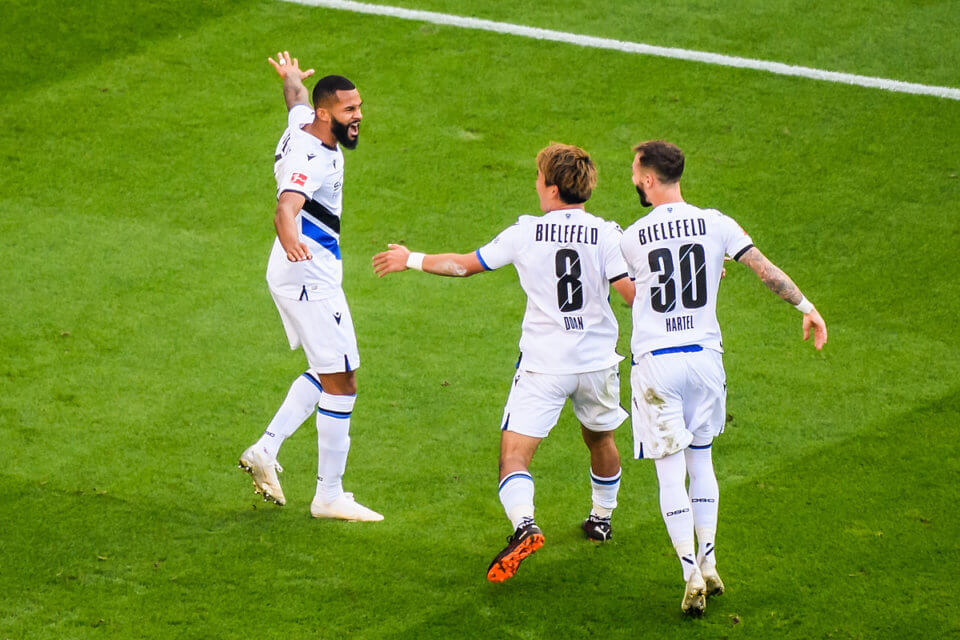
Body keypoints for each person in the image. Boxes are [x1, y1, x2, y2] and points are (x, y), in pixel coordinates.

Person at [372, 143, 635, 582]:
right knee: (600, 439)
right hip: (597, 363)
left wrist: (410, 259)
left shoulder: (525, 232)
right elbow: (630, 291)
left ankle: (525, 525)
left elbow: (464, 266)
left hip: (543, 367)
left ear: (551, 188)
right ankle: (601, 520)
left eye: (537, 178)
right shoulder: (608, 233)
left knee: (513, 458)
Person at [619, 140, 828, 615]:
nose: (633, 180)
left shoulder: (632, 237)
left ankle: (690, 571)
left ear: (649, 179)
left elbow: (635, 292)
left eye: (635, 173)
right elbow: (764, 271)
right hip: (706, 361)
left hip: (657, 364)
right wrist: (807, 307)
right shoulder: (717, 223)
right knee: (702, 460)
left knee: (669, 471)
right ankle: (711, 562)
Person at [238, 51, 382, 522]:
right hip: (307, 275)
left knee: (328, 371)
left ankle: (266, 447)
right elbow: (286, 206)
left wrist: (291, 78)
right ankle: (329, 496)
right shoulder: (309, 157)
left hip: (296, 271)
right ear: (327, 115)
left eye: (358, 107)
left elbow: (295, 99)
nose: (358, 117)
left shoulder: (307, 120)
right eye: (349, 111)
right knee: (343, 381)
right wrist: (292, 241)